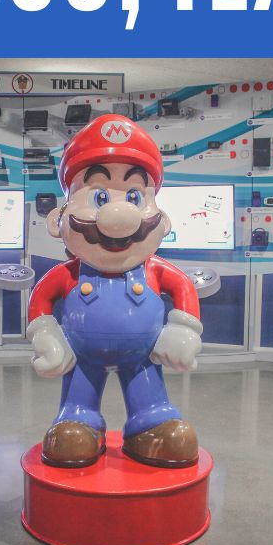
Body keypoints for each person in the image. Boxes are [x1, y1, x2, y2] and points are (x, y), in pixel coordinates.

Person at [27, 114, 203, 468]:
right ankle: (77, 419)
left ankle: (152, 423)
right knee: (73, 430)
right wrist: (46, 336)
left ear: (161, 218)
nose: (120, 214)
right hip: (83, 357)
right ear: (59, 218)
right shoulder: (68, 274)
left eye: (135, 196)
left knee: (162, 422)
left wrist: (182, 329)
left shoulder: (155, 270)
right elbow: (41, 299)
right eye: (99, 195)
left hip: (142, 357)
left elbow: (181, 287)